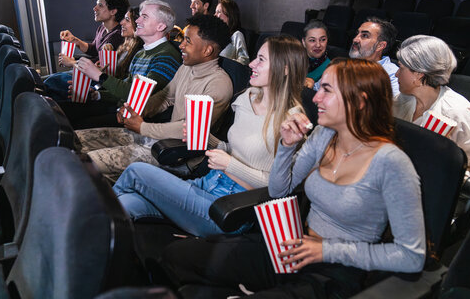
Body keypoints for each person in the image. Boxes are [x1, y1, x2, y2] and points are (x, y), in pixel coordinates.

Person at [160, 59, 426, 298]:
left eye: (327, 90)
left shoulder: (392, 163)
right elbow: (278, 189)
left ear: (359, 101)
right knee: (176, 256)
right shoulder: (324, 135)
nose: (316, 98)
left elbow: (411, 257)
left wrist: (326, 251)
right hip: (294, 246)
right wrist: (287, 146)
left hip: (337, 271)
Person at [112, 35, 308, 237]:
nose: (251, 64)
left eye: (261, 59)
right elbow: (232, 149)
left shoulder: (292, 122)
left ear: (285, 68)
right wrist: (206, 138)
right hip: (208, 182)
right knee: (125, 204)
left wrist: (229, 164)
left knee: (136, 172)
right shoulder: (246, 98)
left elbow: (279, 189)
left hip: (231, 208)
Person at [76, 14, 235, 182]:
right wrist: (135, 109)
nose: (181, 45)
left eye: (188, 41)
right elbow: (165, 97)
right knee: (77, 140)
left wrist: (143, 127)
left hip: (176, 155)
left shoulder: (219, 84)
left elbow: (190, 131)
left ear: (207, 50)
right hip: (158, 138)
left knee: (83, 164)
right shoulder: (187, 68)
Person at [60, 0, 182, 129]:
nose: (138, 21)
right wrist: (98, 94)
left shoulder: (166, 56)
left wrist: (99, 75)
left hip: (136, 119)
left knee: (76, 124)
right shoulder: (141, 53)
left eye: (144, 17)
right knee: (64, 110)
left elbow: (137, 96)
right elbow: (126, 85)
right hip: (121, 109)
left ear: (160, 26)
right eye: (139, 16)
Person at [393, 35, 470, 179]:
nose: (396, 74)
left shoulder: (457, 113)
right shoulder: (401, 100)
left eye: (401, 68)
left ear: (418, 74)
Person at [58, 6, 144, 129]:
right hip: (106, 91)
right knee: (61, 102)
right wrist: (98, 93)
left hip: (114, 100)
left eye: (127, 20)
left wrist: (74, 63)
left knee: (57, 85)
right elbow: (95, 51)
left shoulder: (135, 48)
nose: (122, 23)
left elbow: (127, 89)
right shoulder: (124, 43)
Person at [44, 0, 129, 101]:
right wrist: (75, 40)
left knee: (51, 82)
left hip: (97, 80)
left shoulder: (118, 36)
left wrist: (72, 62)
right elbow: (94, 49)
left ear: (113, 11)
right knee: (50, 80)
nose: (95, 8)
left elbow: (99, 67)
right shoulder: (102, 29)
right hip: (86, 73)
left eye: (100, 5)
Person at [313, 17, 399, 95]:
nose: (355, 39)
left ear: (380, 46)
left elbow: (396, 109)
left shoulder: (393, 75)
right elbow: (315, 90)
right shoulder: (342, 66)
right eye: (357, 34)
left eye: (364, 36)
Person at [214, 0, 249, 65]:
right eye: (215, 12)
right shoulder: (215, 36)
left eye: (218, 12)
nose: (215, 15)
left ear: (229, 15)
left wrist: (227, 65)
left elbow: (244, 60)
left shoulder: (237, 35)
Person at [302, 20, 331, 89]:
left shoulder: (331, 68)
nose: (318, 45)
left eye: (322, 40)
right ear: (303, 42)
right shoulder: (293, 60)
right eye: (312, 40)